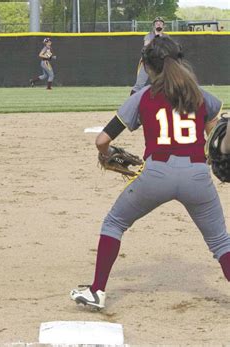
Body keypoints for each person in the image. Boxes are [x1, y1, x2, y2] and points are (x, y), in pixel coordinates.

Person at [70, 36, 230, 310]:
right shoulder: (200, 94)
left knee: (114, 224)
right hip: (196, 176)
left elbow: (101, 141)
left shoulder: (143, 96)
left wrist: (107, 156)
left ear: (147, 67)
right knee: (221, 243)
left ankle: (97, 291)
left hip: (156, 173)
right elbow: (214, 131)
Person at [130, 17, 169, 95]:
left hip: (160, 64)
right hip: (147, 62)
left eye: (161, 23)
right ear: (154, 26)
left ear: (163, 26)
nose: (159, 24)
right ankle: (132, 103)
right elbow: (146, 48)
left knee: (165, 84)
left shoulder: (166, 36)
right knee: (139, 85)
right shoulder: (149, 35)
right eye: (157, 23)